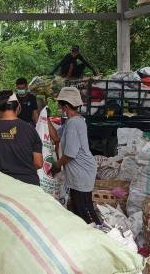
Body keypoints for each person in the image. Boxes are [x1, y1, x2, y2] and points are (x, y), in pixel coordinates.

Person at [48, 86, 100, 225]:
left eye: (60, 105)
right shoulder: (73, 121)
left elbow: (70, 154)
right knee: (78, 207)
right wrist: (44, 119)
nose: (59, 108)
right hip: (80, 171)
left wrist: (56, 165)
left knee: (84, 210)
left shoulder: (73, 123)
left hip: (82, 171)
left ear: (65, 106)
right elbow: (56, 138)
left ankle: (98, 232)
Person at [0, 90, 43, 185]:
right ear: (18, 107)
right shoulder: (30, 129)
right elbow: (38, 163)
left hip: (1, 185)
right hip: (29, 185)